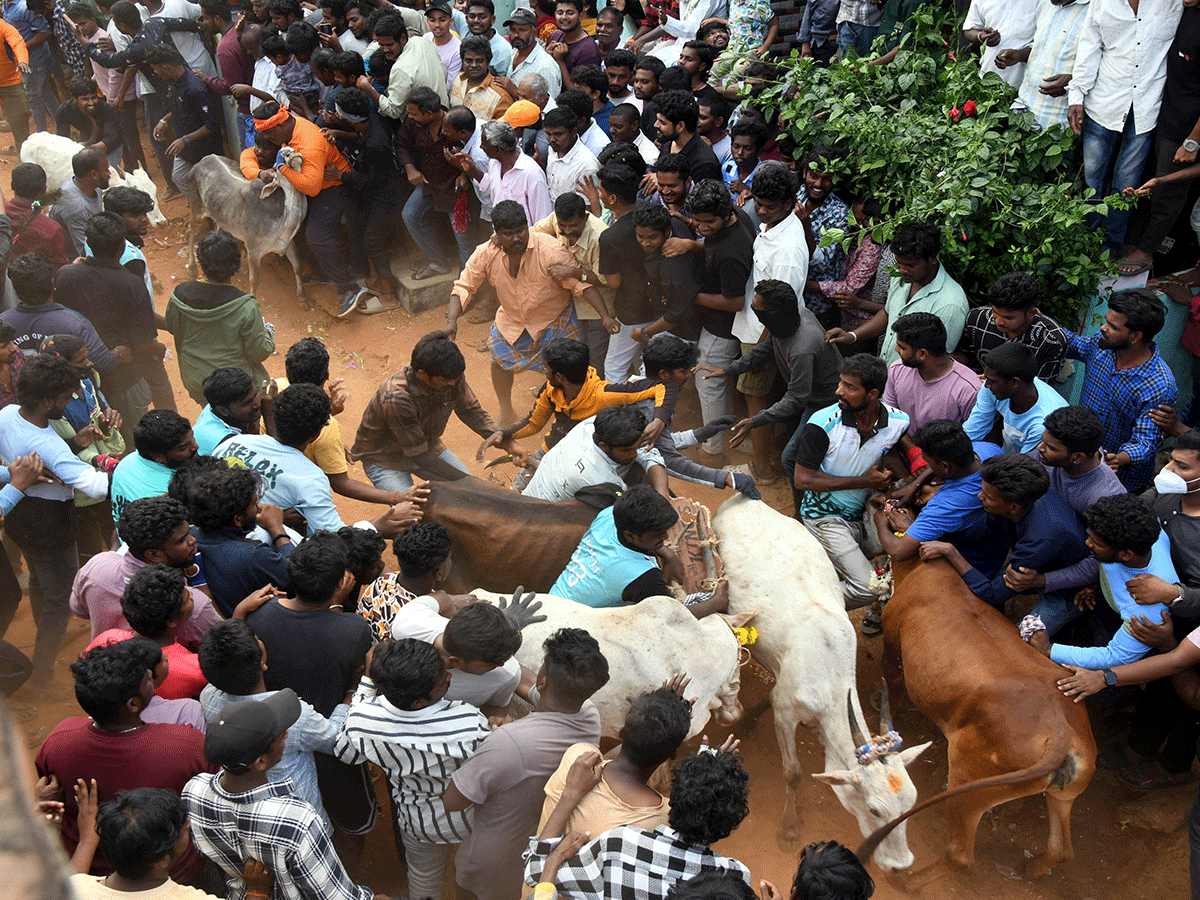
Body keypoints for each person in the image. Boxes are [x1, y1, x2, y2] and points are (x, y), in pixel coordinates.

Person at [445, 627, 609, 900]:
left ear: (543, 678)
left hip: (492, 867)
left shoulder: (507, 742)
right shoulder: (589, 715)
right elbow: (526, 683)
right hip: (545, 856)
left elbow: (453, 801)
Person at [36, 639, 213, 878]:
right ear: (132, 704)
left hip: (86, 870)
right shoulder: (186, 744)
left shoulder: (59, 740)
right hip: (171, 871)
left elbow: (50, 793)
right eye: (147, 679)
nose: (151, 677)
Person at [182, 692, 381, 900]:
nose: (286, 734)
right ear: (260, 762)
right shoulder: (297, 820)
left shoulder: (194, 792)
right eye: (279, 735)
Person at [335, 638, 491, 900]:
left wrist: (366, 685)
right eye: (442, 680)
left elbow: (345, 753)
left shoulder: (362, 721)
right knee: (474, 877)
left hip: (418, 821)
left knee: (423, 882)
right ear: (418, 701)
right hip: (470, 816)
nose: (449, 677)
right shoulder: (468, 721)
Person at [447, 201, 619, 423]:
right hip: (512, 320)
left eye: (520, 231)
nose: (517, 238)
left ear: (526, 226)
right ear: (496, 234)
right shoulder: (485, 253)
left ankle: (569, 417)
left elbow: (581, 286)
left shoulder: (551, 250)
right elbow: (463, 286)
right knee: (497, 362)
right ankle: (506, 410)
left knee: (569, 373)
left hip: (556, 321)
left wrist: (605, 316)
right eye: (508, 234)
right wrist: (452, 320)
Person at [0, 354, 111, 680]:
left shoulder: (6, 415)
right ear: (48, 400)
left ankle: (43, 632)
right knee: (60, 599)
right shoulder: (48, 445)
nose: (69, 401)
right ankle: (43, 671)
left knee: (38, 579)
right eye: (65, 397)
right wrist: (129, 471)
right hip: (52, 527)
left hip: (22, 520)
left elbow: (31, 459)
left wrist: (74, 444)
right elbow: (94, 485)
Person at [523, 745, 752, 897]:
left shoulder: (621, 845)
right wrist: (712, 773)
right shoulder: (736, 878)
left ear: (669, 799)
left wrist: (554, 860)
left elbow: (535, 872)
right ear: (731, 823)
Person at [198, 618, 348, 833]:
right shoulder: (295, 716)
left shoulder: (208, 697)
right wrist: (352, 696)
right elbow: (337, 741)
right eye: (257, 639)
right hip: (303, 822)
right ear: (262, 661)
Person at [783, 354, 907, 608]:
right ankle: (798, 607)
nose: (839, 391)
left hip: (862, 515)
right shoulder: (821, 423)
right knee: (867, 587)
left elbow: (894, 451)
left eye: (850, 387)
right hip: (823, 516)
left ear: (872, 394)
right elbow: (802, 480)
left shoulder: (898, 422)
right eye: (841, 383)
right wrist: (864, 481)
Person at [220, 384, 416, 534]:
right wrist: (378, 525)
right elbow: (335, 536)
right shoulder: (310, 479)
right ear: (316, 435)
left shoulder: (232, 444)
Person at [1067, 0, 1181, 251]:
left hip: (1146, 108)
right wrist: (1077, 96)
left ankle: (1109, 248)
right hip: (1103, 104)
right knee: (1092, 181)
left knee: (1126, 186)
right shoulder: (1103, 2)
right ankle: (1085, 246)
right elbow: (1089, 47)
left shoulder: (1172, 3)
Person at [716, 281, 843, 504]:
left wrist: (755, 421)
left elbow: (796, 398)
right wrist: (729, 369)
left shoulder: (802, 347)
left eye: (758, 308)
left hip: (826, 402)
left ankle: (802, 513)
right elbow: (766, 349)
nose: (754, 311)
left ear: (774, 314)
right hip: (809, 397)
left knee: (791, 458)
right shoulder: (790, 319)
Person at [873, 421, 1006, 624]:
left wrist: (881, 522)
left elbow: (900, 551)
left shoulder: (947, 505)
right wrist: (916, 484)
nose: (927, 467)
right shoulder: (988, 451)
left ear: (944, 466)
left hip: (972, 565)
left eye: (929, 463)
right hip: (998, 543)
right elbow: (941, 469)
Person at [920, 452, 1090, 612]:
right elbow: (980, 531)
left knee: (1027, 637)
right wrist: (924, 531)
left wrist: (951, 551)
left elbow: (992, 594)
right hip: (1029, 565)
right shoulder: (1016, 499)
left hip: (1065, 594)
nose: (980, 496)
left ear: (1013, 507)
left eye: (988, 496)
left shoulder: (1040, 538)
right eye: (982, 490)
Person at [491, 336, 665, 489]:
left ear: (559, 376)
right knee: (518, 490)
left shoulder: (604, 395)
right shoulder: (551, 389)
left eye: (546, 369)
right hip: (548, 452)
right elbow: (534, 423)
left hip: (581, 465)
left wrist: (659, 421)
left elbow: (662, 388)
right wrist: (504, 434)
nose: (545, 373)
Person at [1027, 494, 1176, 670]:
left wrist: (1049, 649)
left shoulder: (1148, 610)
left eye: (1096, 543)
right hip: (1100, 609)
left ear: (1126, 554)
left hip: (1116, 643)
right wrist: (1098, 584)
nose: (1088, 543)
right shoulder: (1142, 528)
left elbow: (1115, 657)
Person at [55, 212, 168, 443]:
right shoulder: (132, 284)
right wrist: (159, 348)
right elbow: (144, 342)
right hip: (123, 380)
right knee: (133, 439)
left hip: (81, 382)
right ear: (120, 249)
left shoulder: (66, 275)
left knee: (98, 440)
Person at [244, 101, 363, 316]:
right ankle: (323, 273)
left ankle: (350, 289)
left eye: (269, 135)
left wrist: (280, 167)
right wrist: (259, 173)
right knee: (297, 226)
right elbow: (248, 155)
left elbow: (312, 186)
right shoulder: (290, 128)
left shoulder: (308, 142)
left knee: (316, 236)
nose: (268, 140)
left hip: (337, 187)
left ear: (280, 126)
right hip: (321, 185)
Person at [352, 331, 502, 492]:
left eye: (454, 378)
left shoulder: (450, 374)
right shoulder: (397, 398)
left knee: (474, 494)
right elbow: (420, 456)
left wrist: (508, 443)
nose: (452, 383)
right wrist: (472, 482)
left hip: (427, 447)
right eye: (444, 380)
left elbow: (471, 411)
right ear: (422, 375)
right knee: (413, 514)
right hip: (385, 460)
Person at [535, 685, 691, 838]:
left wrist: (655, 716)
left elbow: (607, 760)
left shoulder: (578, 758)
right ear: (674, 753)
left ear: (622, 731)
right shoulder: (663, 821)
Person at [550, 483, 729, 614]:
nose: (666, 538)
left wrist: (667, 553)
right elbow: (671, 616)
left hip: (552, 601)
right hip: (571, 623)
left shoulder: (608, 516)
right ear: (630, 536)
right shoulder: (643, 577)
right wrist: (716, 602)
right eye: (657, 534)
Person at [68, 789, 274, 900]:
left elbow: (71, 880)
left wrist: (87, 840)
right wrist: (257, 892)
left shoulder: (71, 889)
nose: (189, 824)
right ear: (161, 860)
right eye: (182, 829)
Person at [70, 496, 222, 645]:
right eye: (181, 540)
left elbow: (78, 610)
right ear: (153, 555)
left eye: (188, 532)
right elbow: (228, 646)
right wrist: (203, 588)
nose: (192, 540)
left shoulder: (95, 568)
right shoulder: (192, 604)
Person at [1066, 288, 1176, 491]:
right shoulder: (1101, 347)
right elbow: (1071, 343)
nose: (1103, 328)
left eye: (1112, 326)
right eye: (1107, 321)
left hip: (1119, 481)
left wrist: (1118, 459)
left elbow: (1145, 442)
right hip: (1078, 462)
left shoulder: (1158, 385)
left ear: (1135, 337)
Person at [827, 221, 970, 366]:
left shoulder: (951, 304)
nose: (902, 270)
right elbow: (889, 314)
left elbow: (938, 361)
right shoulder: (903, 278)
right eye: (899, 264)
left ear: (932, 258)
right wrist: (852, 336)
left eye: (910, 265)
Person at [165, 230, 276, 405]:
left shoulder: (179, 294)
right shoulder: (246, 306)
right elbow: (258, 352)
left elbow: (172, 326)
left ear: (201, 262)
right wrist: (267, 333)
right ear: (237, 264)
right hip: (236, 390)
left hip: (198, 382)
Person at [84, 563, 209, 700]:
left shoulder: (106, 640)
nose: (191, 595)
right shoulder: (195, 669)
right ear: (172, 621)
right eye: (186, 600)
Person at [190, 466, 294, 616]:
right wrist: (277, 529)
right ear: (238, 519)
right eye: (253, 504)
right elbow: (296, 576)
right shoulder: (254, 556)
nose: (258, 503)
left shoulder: (189, 537)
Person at [531, 192, 616, 371]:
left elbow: (605, 280)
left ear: (585, 217)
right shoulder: (556, 218)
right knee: (569, 353)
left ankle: (593, 395)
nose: (567, 231)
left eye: (573, 226)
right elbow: (534, 233)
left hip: (598, 311)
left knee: (595, 360)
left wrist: (573, 272)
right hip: (570, 302)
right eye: (563, 226)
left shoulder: (601, 238)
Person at [524, 405, 669, 501]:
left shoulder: (594, 424)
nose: (635, 454)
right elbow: (628, 507)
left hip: (531, 499)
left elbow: (648, 453)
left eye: (636, 448)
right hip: (544, 523)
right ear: (604, 446)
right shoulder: (597, 478)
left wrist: (664, 495)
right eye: (627, 450)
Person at [447, 119, 553, 239]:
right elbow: (494, 188)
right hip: (502, 236)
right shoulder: (494, 163)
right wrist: (472, 171)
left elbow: (543, 219)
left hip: (525, 241)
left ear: (497, 149)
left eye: (484, 144)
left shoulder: (531, 173)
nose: (481, 147)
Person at [956, 271, 1069, 380]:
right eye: (995, 312)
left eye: (1009, 318)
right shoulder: (976, 320)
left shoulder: (1052, 341)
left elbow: (1041, 390)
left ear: (1031, 313)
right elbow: (964, 358)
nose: (999, 321)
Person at [143, 45, 224, 196]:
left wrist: (185, 140)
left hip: (204, 151)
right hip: (186, 149)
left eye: (155, 68)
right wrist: (164, 121)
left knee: (212, 189)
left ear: (166, 67)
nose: (154, 72)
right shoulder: (174, 82)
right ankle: (201, 209)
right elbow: (180, 108)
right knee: (179, 177)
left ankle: (208, 212)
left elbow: (212, 124)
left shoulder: (195, 89)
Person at [882, 313, 980, 435]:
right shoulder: (897, 370)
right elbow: (891, 421)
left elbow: (977, 438)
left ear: (922, 354)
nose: (896, 349)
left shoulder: (969, 389)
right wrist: (914, 453)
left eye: (902, 347)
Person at [962, 342, 1068, 453]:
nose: (986, 385)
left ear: (1014, 382)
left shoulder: (1043, 423)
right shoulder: (994, 388)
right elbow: (974, 429)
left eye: (992, 381)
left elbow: (1023, 464)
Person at [1005, 0, 1088, 133]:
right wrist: (1019, 54)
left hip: (1057, 125)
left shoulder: (1094, 12)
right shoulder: (1045, 4)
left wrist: (1072, 81)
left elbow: (1104, 68)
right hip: (1023, 109)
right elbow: (1041, 44)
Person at [110, 411, 198, 524]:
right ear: (158, 457)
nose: (195, 446)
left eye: (193, 437)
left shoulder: (127, 462)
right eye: (183, 448)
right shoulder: (170, 488)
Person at [630, 204, 702, 342]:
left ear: (667, 230)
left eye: (652, 237)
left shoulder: (672, 264)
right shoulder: (673, 222)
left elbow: (676, 315)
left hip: (679, 335)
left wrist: (644, 332)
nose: (645, 243)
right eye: (640, 236)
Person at [355, 11, 449, 116]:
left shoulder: (400, 69)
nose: (385, 50)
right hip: (443, 112)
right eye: (381, 45)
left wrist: (367, 88)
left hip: (423, 123)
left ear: (403, 39)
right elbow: (443, 71)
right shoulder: (421, 41)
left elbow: (393, 111)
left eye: (389, 45)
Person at [796, 146, 850, 321]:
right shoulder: (799, 193)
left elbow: (821, 263)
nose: (819, 184)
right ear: (804, 173)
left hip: (816, 307)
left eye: (826, 179)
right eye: (814, 176)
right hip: (792, 295)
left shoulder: (840, 213)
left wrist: (805, 225)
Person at [49, 147, 109, 258]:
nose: (109, 173)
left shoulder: (93, 187)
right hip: (69, 259)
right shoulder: (76, 207)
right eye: (106, 170)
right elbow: (86, 252)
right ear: (94, 174)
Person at [7, 163, 69, 270]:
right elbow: (59, 268)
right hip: (33, 284)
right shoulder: (52, 229)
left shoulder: (3, 213)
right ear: (44, 189)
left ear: (12, 185)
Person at [653, 90, 722, 183]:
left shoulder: (704, 164)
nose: (656, 125)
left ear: (681, 126)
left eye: (663, 123)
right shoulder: (668, 145)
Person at [56, 77, 124, 168]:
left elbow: (111, 139)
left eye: (94, 97)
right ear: (75, 99)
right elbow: (62, 139)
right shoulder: (64, 110)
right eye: (85, 99)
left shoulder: (108, 110)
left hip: (110, 148)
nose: (91, 102)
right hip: (86, 142)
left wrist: (85, 151)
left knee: (108, 178)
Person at [500, 7, 563, 99]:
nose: (516, 35)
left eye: (522, 30)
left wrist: (515, 92)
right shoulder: (512, 53)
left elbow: (548, 108)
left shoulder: (546, 67)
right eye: (513, 30)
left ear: (534, 33)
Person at [545, 106, 601, 203]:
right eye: (548, 134)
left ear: (574, 132)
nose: (552, 139)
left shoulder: (586, 166)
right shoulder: (553, 148)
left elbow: (587, 208)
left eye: (558, 134)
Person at [451, 35, 513, 121]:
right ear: (462, 61)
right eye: (468, 61)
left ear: (488, 62)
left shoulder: (501, 97)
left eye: (479, 61)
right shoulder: (458, 79)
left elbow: (502, 132)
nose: (474, 65)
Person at [465, 0, 513, 76]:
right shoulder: (465, 41)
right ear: (466, 19)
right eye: (472, 16)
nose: (476, 20)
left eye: (482, 17)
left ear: (492, 19)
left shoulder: (502, 50)